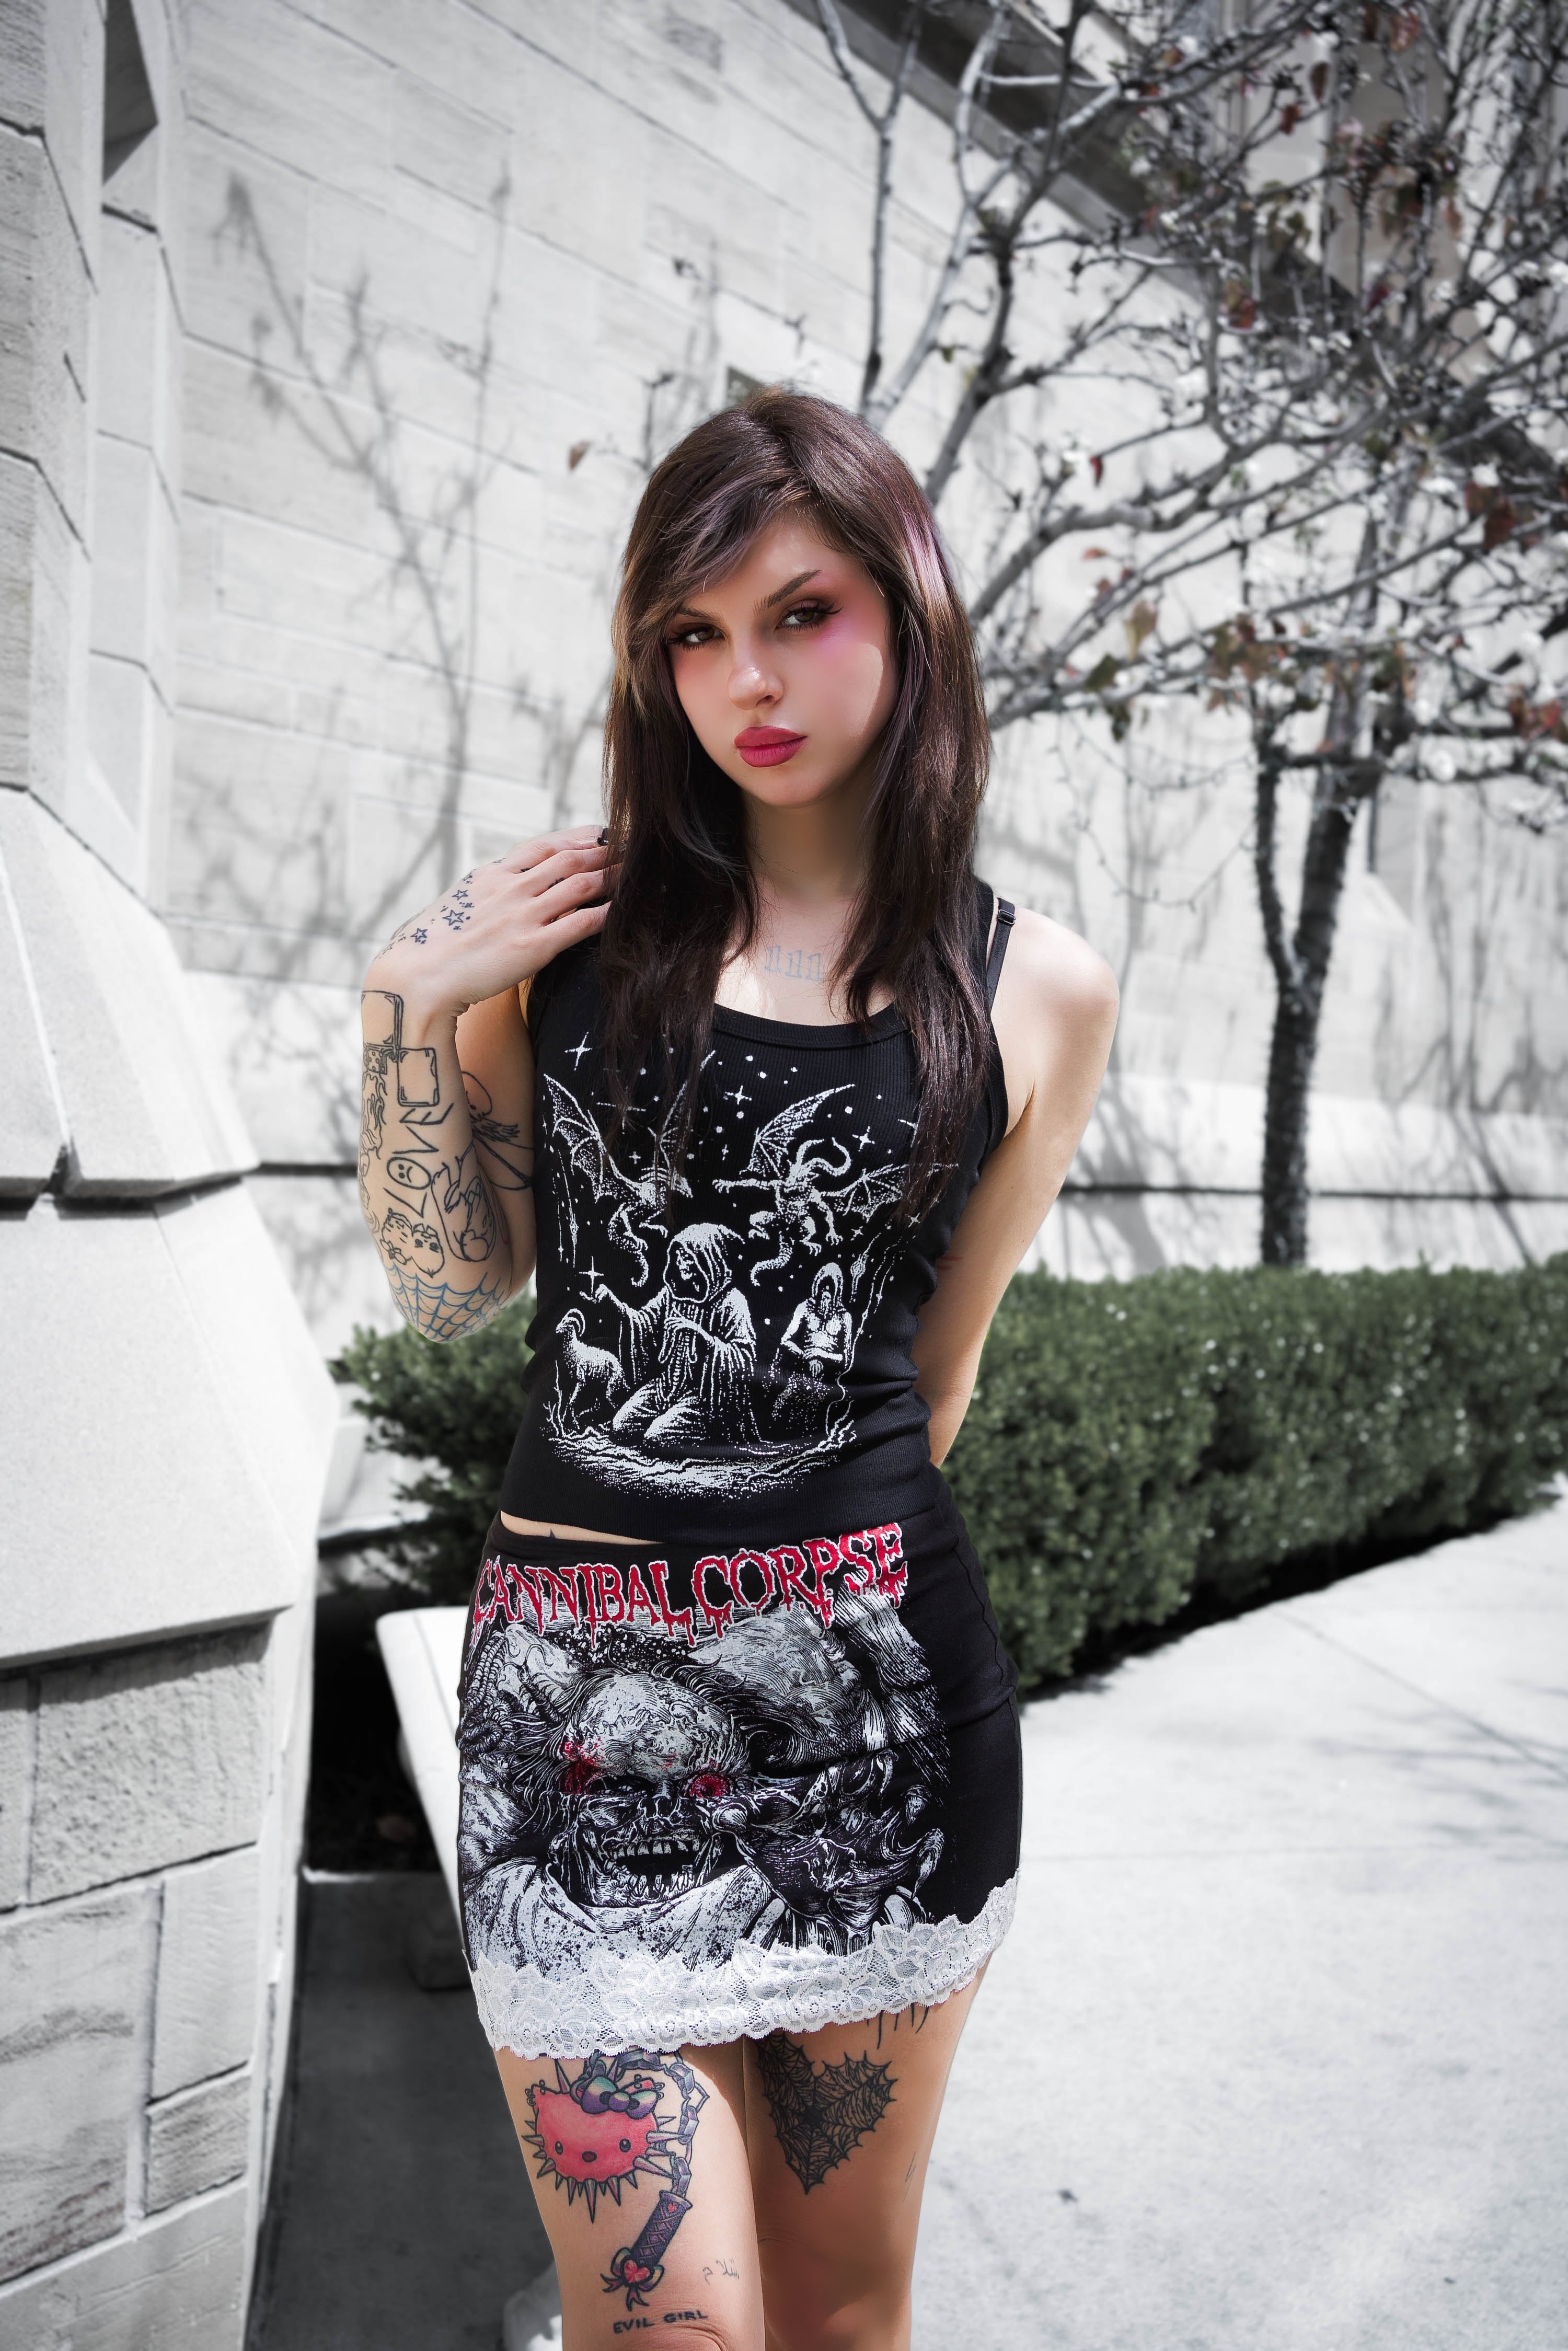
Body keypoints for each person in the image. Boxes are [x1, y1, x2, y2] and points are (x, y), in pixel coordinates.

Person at [357, 390, 1117, 2351]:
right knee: (664, 2329)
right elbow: (450, 1288)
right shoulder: (572, 939)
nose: (745, 682)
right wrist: (405, 1011)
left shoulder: (1033, 987)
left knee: (843, 2316)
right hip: (571, 1737)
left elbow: (934, 1378)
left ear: (909, 610)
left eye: (799, 613)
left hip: (875, 1721)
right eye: (693, 634)